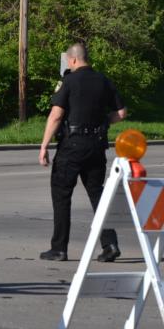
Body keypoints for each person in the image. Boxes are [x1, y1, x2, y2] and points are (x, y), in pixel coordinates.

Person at [38, 43, 127, 262]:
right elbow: (122, 113)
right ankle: (110, 244)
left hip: (72, 146)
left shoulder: (69, 81)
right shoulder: (103, 80)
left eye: (69, 61)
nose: (68, 64)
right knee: (98, 195)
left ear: (74, 60)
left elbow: (56, 115)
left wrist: (44, 146)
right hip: (96, 146)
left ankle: (59, 248)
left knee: (61, 195)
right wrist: (104, 121)